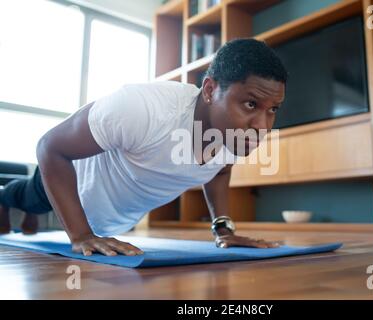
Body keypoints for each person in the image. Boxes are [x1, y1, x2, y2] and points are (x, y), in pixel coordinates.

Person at [0, 38, 287, 256]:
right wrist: (81, 235)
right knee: (29, 197)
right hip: (72, 182)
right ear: (211, 90)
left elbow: (220, 171)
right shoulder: (143, 108)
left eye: (273, 109)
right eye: (251, 104)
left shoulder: (231, 135)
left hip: (114, 217)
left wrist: (222, 229)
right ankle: (4, 197)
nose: (263, 125)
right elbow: (50, 147)